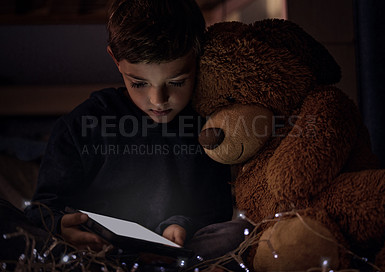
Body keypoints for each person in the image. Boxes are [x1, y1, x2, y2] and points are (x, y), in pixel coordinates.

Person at [24, 0, 252, 266]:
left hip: (181, 251)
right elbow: (42, 209)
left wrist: (181, 225)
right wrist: (61, 226)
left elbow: (216, 209)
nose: (158, 100)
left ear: (198, 56)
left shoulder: (208, 125)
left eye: (177, 82)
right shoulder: (82, 125)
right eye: (139, 83)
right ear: (115, 60)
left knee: (237, 234)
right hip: (100, 253)